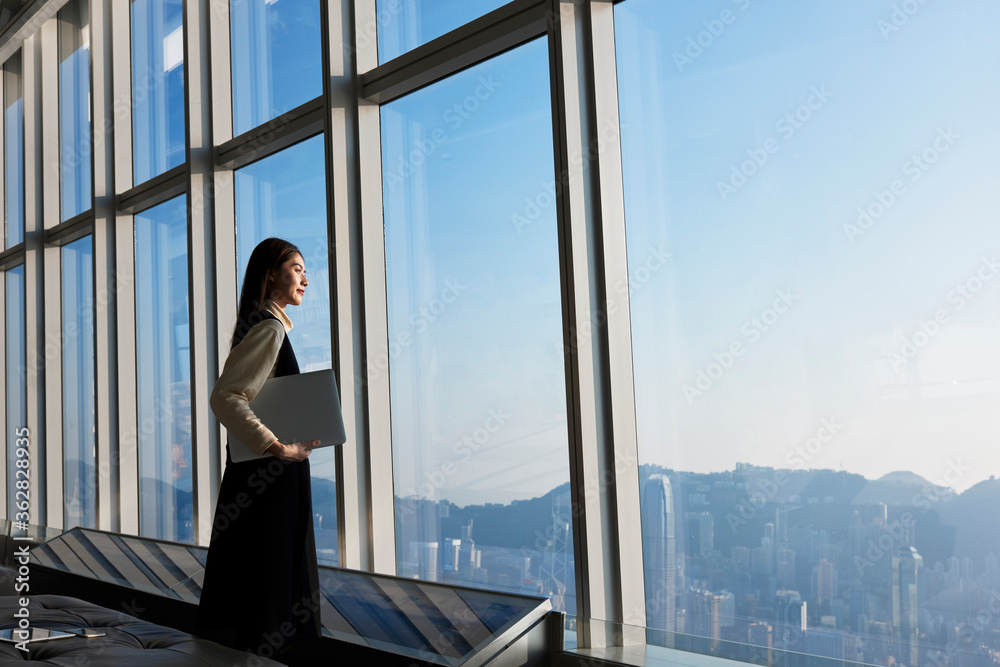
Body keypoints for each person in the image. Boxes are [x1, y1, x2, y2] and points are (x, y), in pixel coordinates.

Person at [195, 237, 321, 658]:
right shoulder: (268, 328)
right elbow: (226, 396)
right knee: (271, 581)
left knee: (255, 584)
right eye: (297, 268)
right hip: (271, 481)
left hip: (263, 477)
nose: (306, 277)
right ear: (272, 274)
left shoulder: (263, 324)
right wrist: (275, 447)